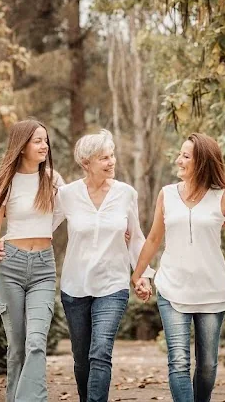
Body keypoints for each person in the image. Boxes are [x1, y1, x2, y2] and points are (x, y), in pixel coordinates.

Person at [131, 133, 225, 402]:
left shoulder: (224, 198)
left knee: (207, 367)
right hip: (172, 287)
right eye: (180, 154)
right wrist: (138, 273)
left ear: (201, 162)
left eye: (185, 156)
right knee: (178, 362)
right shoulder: (166, 194)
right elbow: (154, 238)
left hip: (212, 291)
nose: (178, 160)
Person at [53, 129, 153, 402]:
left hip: (113, 284)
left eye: (112, 156)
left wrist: (142, 275)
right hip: (75, 286)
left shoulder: (125, 194)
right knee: (82, 358)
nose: (111, 162)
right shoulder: (67, 195)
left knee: (100, 352)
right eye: (103, 158)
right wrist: (9, 237)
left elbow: (137, 237)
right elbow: (43, 227)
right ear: (86, 163)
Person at [0, 118, 63, 402]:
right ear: (22, 145)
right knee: (16, 347)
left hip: (43, 267)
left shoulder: (52, 179)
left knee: (37, 343)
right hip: (10, 268)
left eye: (45, 140)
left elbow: (64, 215)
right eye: (37, 140)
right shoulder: (5, 182)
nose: (44, 145)